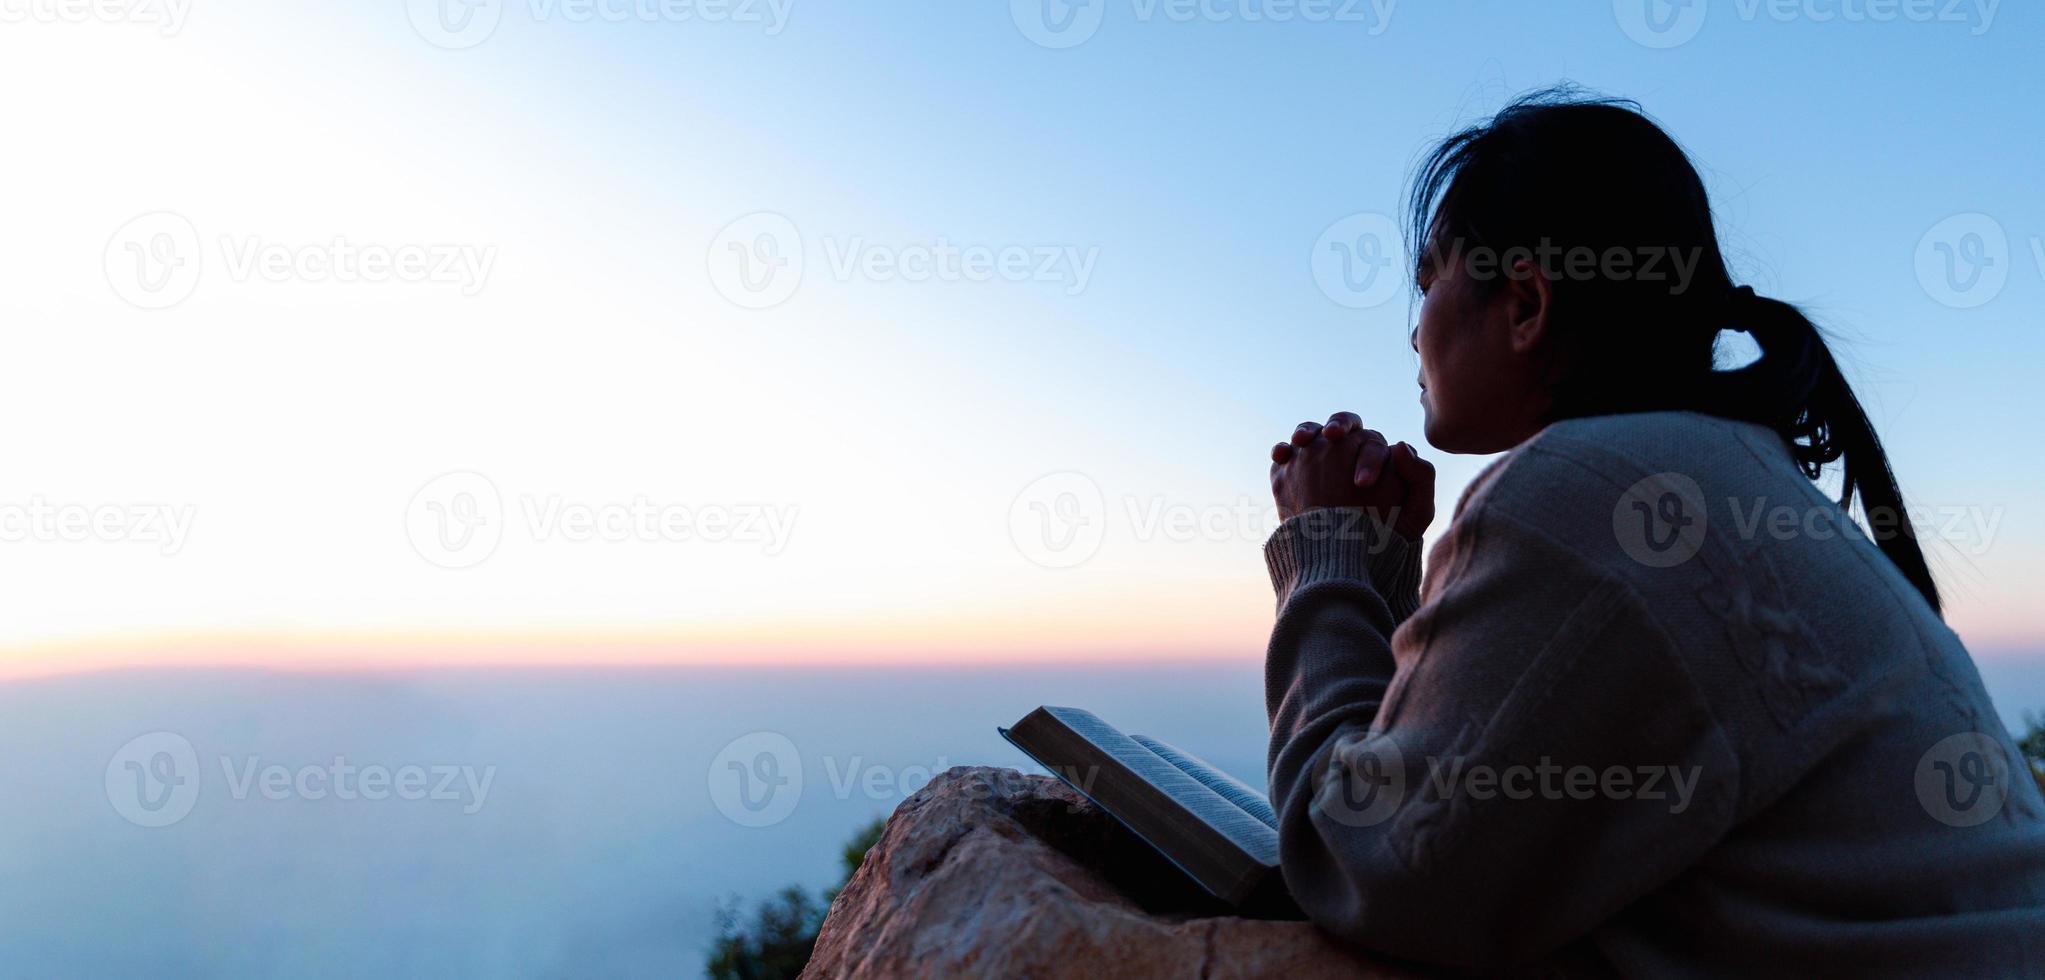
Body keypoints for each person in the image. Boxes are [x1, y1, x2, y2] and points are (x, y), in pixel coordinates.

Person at [1261, 89, 2045, 976]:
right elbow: (1465, 798)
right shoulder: (1703, 472)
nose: (1414, 329)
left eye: (1431, 278)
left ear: (1525, 302)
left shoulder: (1580, 493)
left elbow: (1364, 873)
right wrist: (1383, 577)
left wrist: (1322, 556)